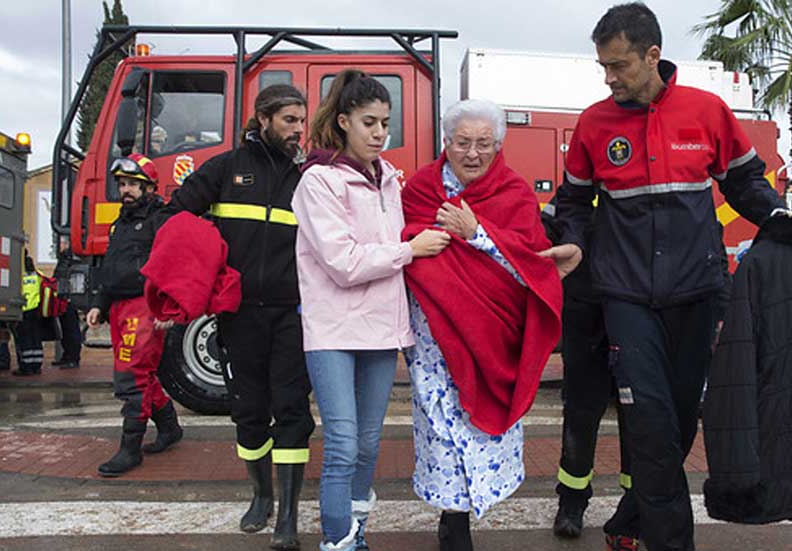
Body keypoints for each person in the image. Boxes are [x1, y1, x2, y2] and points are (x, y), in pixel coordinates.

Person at [540, 4, 792, 550]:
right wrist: (574, 241)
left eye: (619, 66)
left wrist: (780, 218)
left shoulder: (707, 111)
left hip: (696, 294)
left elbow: (745, 183)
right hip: (626, 298)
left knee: (678, 426)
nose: (609, 78)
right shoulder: (593, 124)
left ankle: (627, 523)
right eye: (603, 67)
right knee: (650, 424)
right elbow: (574, 202)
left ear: (652, 55)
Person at [292, 69, 450, 551]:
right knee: (342, 444)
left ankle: (356, 531)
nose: (380, 133)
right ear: (343, 122)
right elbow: (342, 262)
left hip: (381, 329)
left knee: (367, 443)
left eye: (385, 122)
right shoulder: (319, 181)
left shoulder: (388, 180)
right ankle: (337, 542)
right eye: (369, 122)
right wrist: (409, 250)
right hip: (334, 330)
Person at [401, 98, 563, 551]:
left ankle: (466, 512)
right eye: (462, 143)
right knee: (439, 425)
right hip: (433, 336)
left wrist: (477, 234)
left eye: (483, 144)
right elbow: (403, 244)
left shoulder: (515, 192)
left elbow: (531, 268)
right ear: (446, 142)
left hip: (491, 337)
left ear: (498, 146)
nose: (472, 154)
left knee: (479, 428)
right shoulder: (419, 189)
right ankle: (453, 521)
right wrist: (420, 242)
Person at [165, 83, 315, 551]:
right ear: (263, 119)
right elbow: (175, 218)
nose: (297, 130)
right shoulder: (226, 169)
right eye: (289, 120)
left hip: (292, 315)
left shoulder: (307, 178)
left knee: (292, 410)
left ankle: (287, 516)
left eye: (301, 121)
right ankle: (261, 495)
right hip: (239, 315)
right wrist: (206, 266)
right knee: (249, 411)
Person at [541, 197, 635, 540]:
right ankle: (572, 501)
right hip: (584, 314)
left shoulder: (641, 181)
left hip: (637, 312)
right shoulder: (576, 191)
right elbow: (542, 232)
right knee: (581, 412)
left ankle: (636, 503)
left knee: (639, 414)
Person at [85, 153, 184, 477]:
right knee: (142, 374)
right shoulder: (121, 223)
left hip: (144, 306)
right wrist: (99, 303)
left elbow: (174, 265)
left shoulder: (160, 219)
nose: (125, 190)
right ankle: (169, 427)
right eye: (122, 184)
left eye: (132, 184)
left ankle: (130, 449)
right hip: (119, 307)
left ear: (149, 187)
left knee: (131, 377)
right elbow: (110, 268)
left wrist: (170, 307)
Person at [12, 251, 44, 376]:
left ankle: (26, 367)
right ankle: (37, 365)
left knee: (24, 340)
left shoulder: (17, 275)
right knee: (35, 338)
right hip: (36, 310)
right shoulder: (37, 275)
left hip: (23, 310)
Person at [52, 237, 82, 369]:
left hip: (68, 298)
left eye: (60, 243)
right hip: (63, 297)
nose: (57, 246)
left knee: (71, 329)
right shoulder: (65, 258)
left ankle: (73, 358)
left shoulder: (69, 258)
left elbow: (65, 277)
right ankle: (67, 356)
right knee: (65, 329)